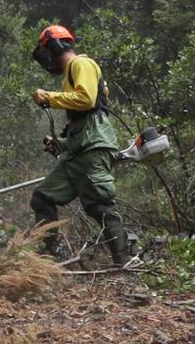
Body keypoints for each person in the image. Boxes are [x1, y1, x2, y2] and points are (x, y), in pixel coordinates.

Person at [26, 24, 133, 267]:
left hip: (93, 148)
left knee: (98, 205)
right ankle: (50, 257)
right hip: (79, 150)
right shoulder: (69, 73)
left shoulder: (80, 64)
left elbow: (86, 100)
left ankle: (125, 261)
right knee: (42, 198)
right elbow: (82, 121)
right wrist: (61, 144)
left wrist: (49, 97)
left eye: (45, 52)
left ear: (53, 46)